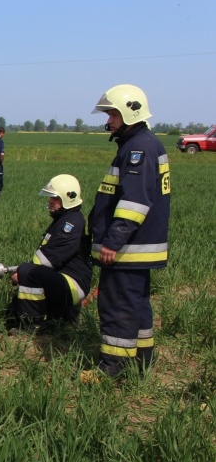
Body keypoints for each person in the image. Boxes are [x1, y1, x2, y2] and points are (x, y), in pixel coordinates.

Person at [86, 84, 171, 379]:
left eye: (112, 115)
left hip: (128, 249)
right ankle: (141, 361)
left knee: (117, 307)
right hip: (136, 249)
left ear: (129, 112)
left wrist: (112, 241)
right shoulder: (145, 144)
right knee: (137, 306)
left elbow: (135, 202)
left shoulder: (138, 149)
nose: (108, 121)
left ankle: (113, 370)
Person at [6, 174, 92, 334]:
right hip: (67, 281)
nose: (50, 201)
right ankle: (64, 317)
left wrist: (22, 273)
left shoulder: (70, 224)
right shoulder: (66, 219)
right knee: (26, 279)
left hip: (72, 286)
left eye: (55, 197)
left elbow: (48, 259)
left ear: (69, 197)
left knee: (28, 273)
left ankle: (32, 325)